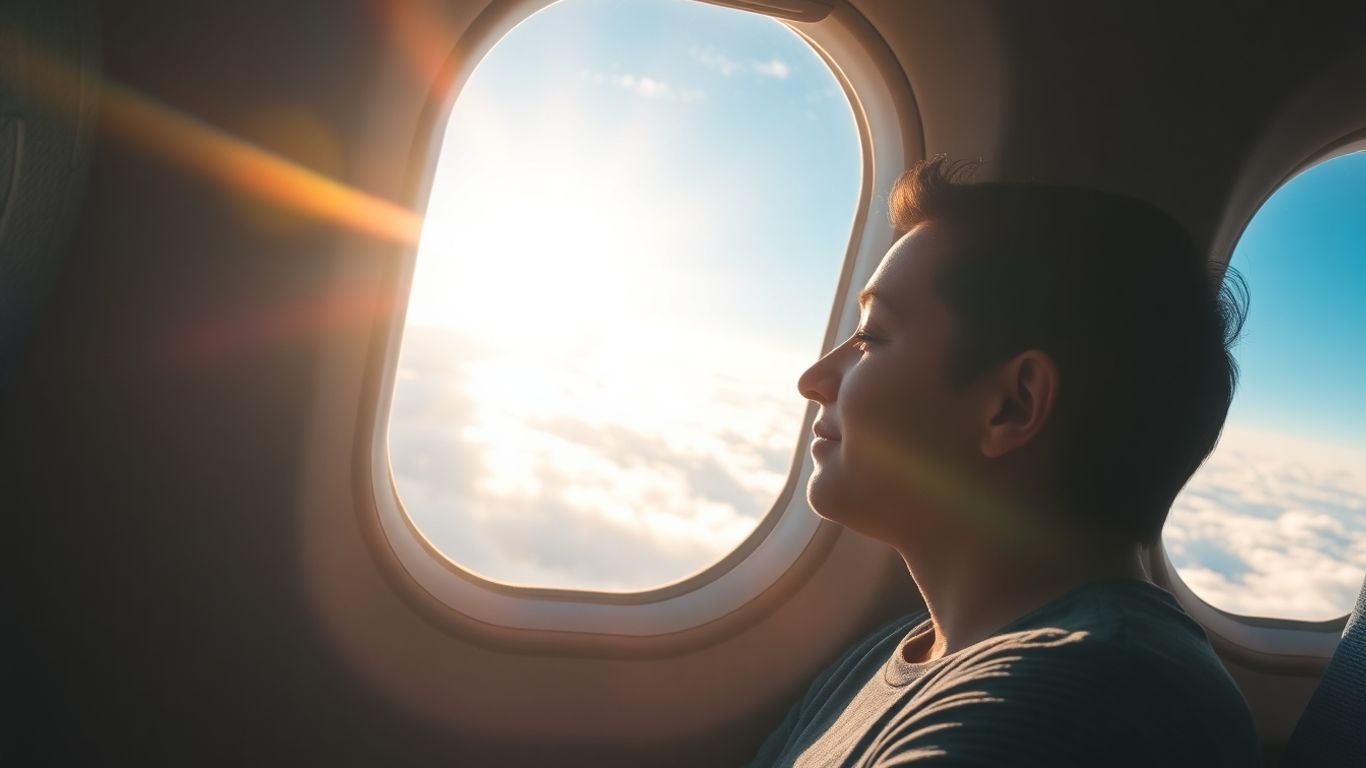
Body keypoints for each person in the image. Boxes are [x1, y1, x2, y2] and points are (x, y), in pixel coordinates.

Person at [747, 157, 1260, 767]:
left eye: (873, 336)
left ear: (1012, 407)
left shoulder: (1076, 700)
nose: (814, 379)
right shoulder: (910, 652)